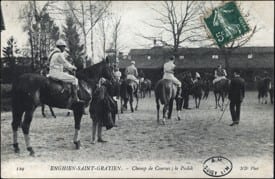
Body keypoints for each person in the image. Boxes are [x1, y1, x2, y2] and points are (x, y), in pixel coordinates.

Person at [48, 39, 82, 103]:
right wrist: (73, 68)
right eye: (64, 46)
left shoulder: (52, 54)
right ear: (60, 47)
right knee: (75, 80)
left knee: (67, 75)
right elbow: (65, 63)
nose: (64, 48)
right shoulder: (59, 54)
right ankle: (75, 97)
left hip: (51, 73)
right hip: (56, 73)